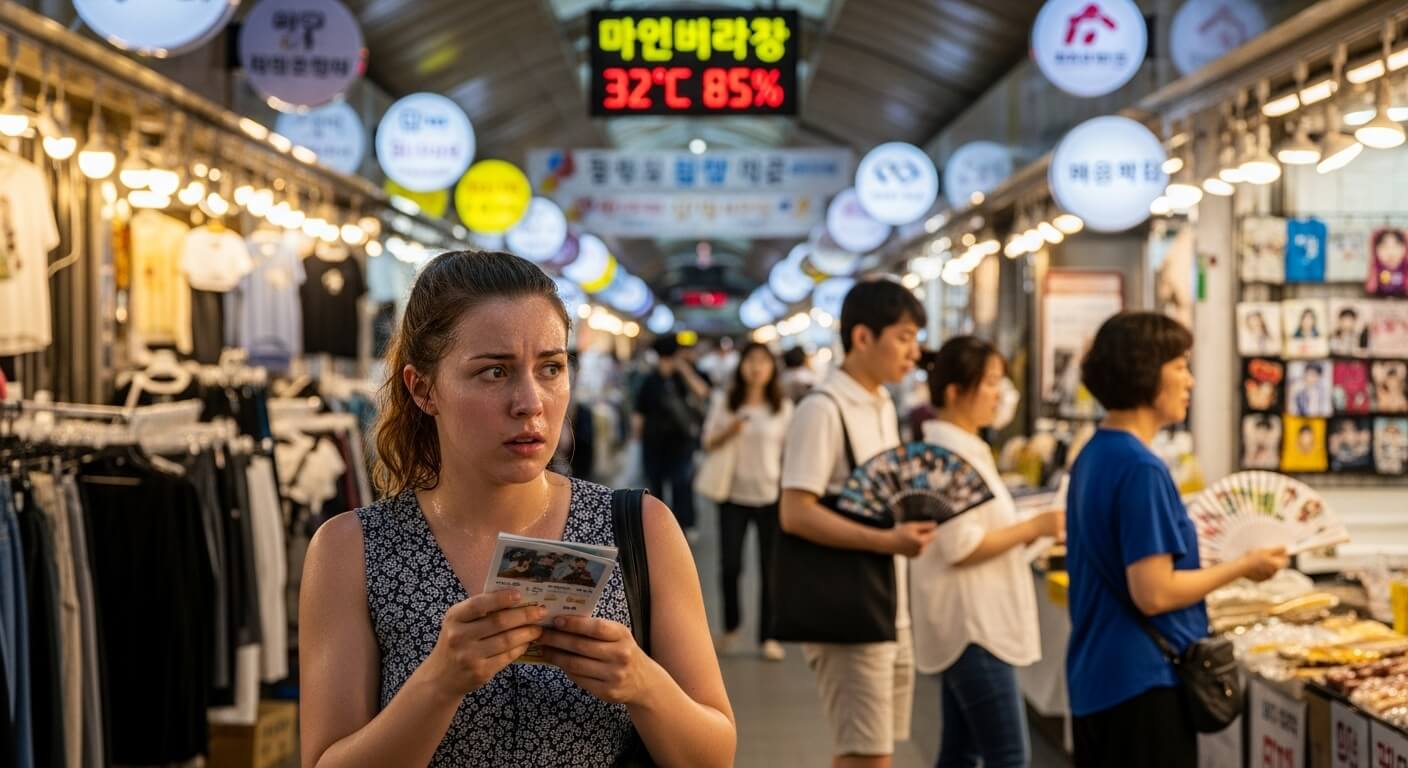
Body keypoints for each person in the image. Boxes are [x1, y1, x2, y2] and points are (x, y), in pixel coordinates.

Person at [298, 250, 735, 768]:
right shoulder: (353, 548)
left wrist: (643, 684)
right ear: (423, 389)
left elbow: (715, 755)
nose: (530, 401)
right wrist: (440, 682)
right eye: (493, 372)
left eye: (551, 367)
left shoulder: (640, 528)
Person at [1066, 312, 1287, 767]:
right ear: (1145, 371)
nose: (1190, 381)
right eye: (1181, 366)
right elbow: (1154, 592)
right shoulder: (1141, 468)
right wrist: (1244, 567)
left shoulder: (1096, 452)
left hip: (1098, 675)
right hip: (1141, 683)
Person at [780, 278, 939, 768]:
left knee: (876, 751)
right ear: (863, 337)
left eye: (916, 338)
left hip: (889, 603)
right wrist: (886, 539)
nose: (915, 352)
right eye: (905, 337)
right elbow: (795, 512)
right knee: (864, 754)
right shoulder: (822, 409)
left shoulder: (883, 405)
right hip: (849, 606)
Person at [912, 337, 1065, 768]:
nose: (1001, 395)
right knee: (1008, 755)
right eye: (992, 382)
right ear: (956, 392)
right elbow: (962, 545)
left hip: (973, 623)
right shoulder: (948, 455)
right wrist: (1034, 526)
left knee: (962, 752)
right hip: (974, 629)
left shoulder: (965, 448)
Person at [701, 342, 794, 662]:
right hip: (732, 496)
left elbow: (790, 453)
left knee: (771, 569)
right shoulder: (725, 401)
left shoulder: (782, 408)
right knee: (730, 566)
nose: (757, 367)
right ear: (741, 366)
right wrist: (731, 428)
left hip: (770, 497)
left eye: (763, 362)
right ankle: (730, 627)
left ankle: (768, 635)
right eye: (751, 360)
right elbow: (708, 441)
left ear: (772, 369)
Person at [633, 335, 711, 535]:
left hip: (678, 442)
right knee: (662, 486)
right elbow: (639, 414)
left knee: (680, 486)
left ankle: (680, 525)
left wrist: (684, 370)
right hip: (659, 442)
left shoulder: (678, 378)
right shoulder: (651, 380)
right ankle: (664, 527)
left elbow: (703, 392)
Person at [1367, 228, 1408, 296]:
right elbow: (1371, 289)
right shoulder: (1376, 270)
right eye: (1384, 247)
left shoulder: (1404, 268)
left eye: (1396, 247)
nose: (1390, 253)